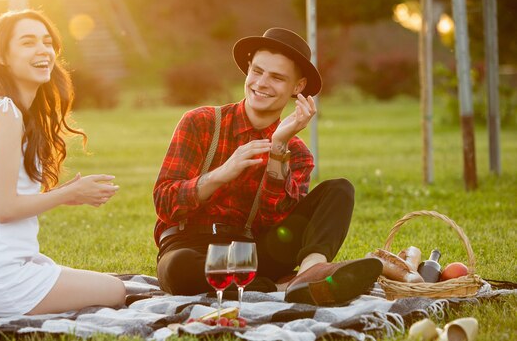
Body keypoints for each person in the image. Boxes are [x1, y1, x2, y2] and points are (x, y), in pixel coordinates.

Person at [153, 27, 382, 306]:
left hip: (254, 253)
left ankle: (310, 272)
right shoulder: (200, 122)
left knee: (340, 189)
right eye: (257, 71)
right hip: (189, 247)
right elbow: (165, 203)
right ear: (248, 70)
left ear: (297, 87)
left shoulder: (296, 152)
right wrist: (223, 172)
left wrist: (278, 148)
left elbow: (276, 225)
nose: (261, 83)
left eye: (277, 77)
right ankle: (268, 285)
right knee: (180, 267)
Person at [0, 9, 126, 317]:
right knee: (115, 290)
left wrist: (67, 192)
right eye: (27, 42)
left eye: (47, 41)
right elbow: (4, 209)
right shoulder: (7, 115)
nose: (43, 50)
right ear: (2, 57)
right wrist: (70, 194)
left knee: (100, 283)